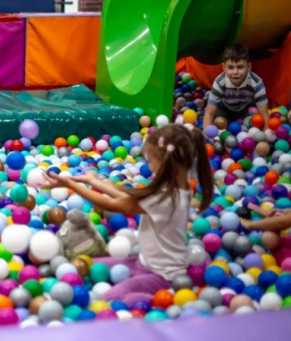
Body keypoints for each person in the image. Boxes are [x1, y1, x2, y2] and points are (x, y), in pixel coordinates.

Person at [42, 124, 214, 306]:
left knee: (109, 299)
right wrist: (92, 181)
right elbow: (128, 196)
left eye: (150, 160)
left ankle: (160, 302)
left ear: (165, 162)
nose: (148, 165)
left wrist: (71, 185)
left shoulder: (165, 198)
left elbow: (112, 204)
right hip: (141, 264)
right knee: (83, 265)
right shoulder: (178, 187)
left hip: (163, 276)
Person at [203, 44, 269, 130]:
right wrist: (207, 134)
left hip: (244, 110)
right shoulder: (219, 82)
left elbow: (264, 114)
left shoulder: (256, 83)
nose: (235, 72)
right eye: (230, 67)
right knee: (218, 122)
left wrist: (266, 135)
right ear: (224, 67)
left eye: (240, 67)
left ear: (249, 67)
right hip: (224, 109)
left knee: (256, 121)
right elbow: (209, 112)